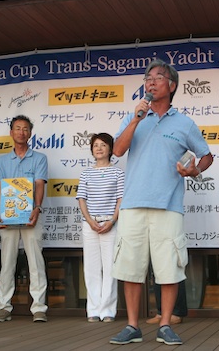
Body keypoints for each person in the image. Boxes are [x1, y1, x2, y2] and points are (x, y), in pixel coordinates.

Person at [109, 59, 213, 346]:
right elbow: (117, 150)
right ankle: (132, 326)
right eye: (147, 78)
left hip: (169, 205)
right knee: (130, 268)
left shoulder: (184, 123)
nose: (151, 82)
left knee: (169, 269)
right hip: (133, 204)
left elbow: (206, 155)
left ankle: (165, 324)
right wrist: (136, 119)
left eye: (158, 77)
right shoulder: (134, 117)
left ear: (172, 85)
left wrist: (195, 170)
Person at [0, 115, 49, 323]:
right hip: (8, 218)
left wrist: (37, 208)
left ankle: (39, 308)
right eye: (17, 128)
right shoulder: (2, 161)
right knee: (7, 263)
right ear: (11, 132)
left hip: (31, 216)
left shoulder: (39, 158)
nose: (21, 132)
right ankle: (4, 307)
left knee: (35, 262)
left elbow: (40, 184)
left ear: (30, 133)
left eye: (25, 129)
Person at [76, 132, 124, 323]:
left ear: (110, 149)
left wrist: (112, 221)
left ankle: (108, 311)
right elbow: (81, 198)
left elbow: (121, 199)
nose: (99, 148)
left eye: (103, 145)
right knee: (91, 268)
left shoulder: (118, 173)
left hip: (110, 224)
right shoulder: (86, 173)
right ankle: (93, 309)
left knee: (110, 268)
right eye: (95, 145)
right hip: (90, 224)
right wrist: (89, 221)